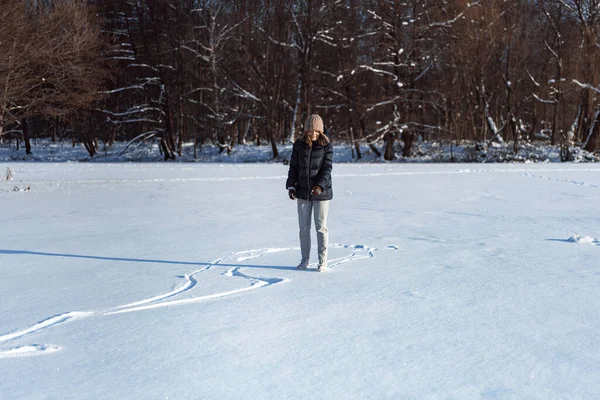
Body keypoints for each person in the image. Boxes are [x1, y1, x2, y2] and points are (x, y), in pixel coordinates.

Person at [286, 114, 333, 272]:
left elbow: (327, 169)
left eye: (317, 132)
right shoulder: (298, 145)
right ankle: (305, 260)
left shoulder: (326, 146)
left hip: (322, 193)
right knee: (304, 228)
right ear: (306, 130)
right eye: (310, 131)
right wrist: (291, 186)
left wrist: (319, 186)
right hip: (302, 192)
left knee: (320, 227)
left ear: (321, 132)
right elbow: (293, 167)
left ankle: (322, 261)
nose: (313, 134)